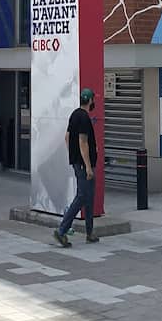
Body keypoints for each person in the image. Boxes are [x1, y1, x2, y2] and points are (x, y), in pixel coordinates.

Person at [53, 88, 99, 248]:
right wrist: (88, 166)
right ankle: (62, 230)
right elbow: (83, 142)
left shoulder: (74, 114)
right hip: (84, 165)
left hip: (77, 162)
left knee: (89, 197)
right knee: (82, 197)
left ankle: (90, 233)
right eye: (93, 99)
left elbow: (67, 137)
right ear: (90, 100)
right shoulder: (84, 118)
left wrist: (73, 156)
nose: (94, 102)